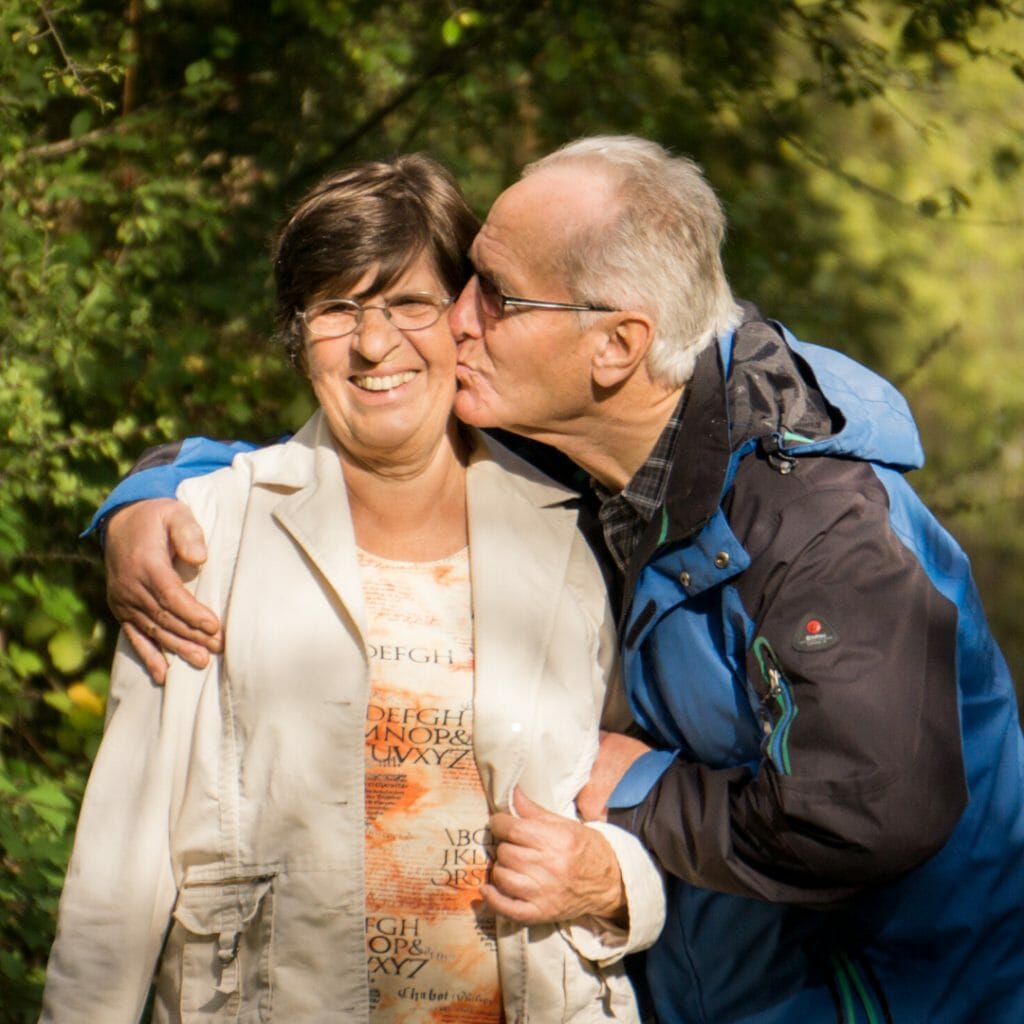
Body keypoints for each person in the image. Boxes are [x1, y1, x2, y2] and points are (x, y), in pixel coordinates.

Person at [98, 135, 1024, 1023]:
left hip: (893, 998)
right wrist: (157, 488)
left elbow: (870, 812)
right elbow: (349, 446)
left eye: (495, 296)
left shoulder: (816, 529)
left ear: (617, 347)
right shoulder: (595, 446)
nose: (457, 318)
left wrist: (643, 793)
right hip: (728, 988)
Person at [40, 154, 666, 1024]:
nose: (374, 345)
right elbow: (119, 868)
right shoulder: (205, 531)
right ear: (300, 335)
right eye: (337, 308)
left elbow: (642, 797)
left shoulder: (578, 537)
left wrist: (618, 881)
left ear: (467, 316)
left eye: (410, 303)